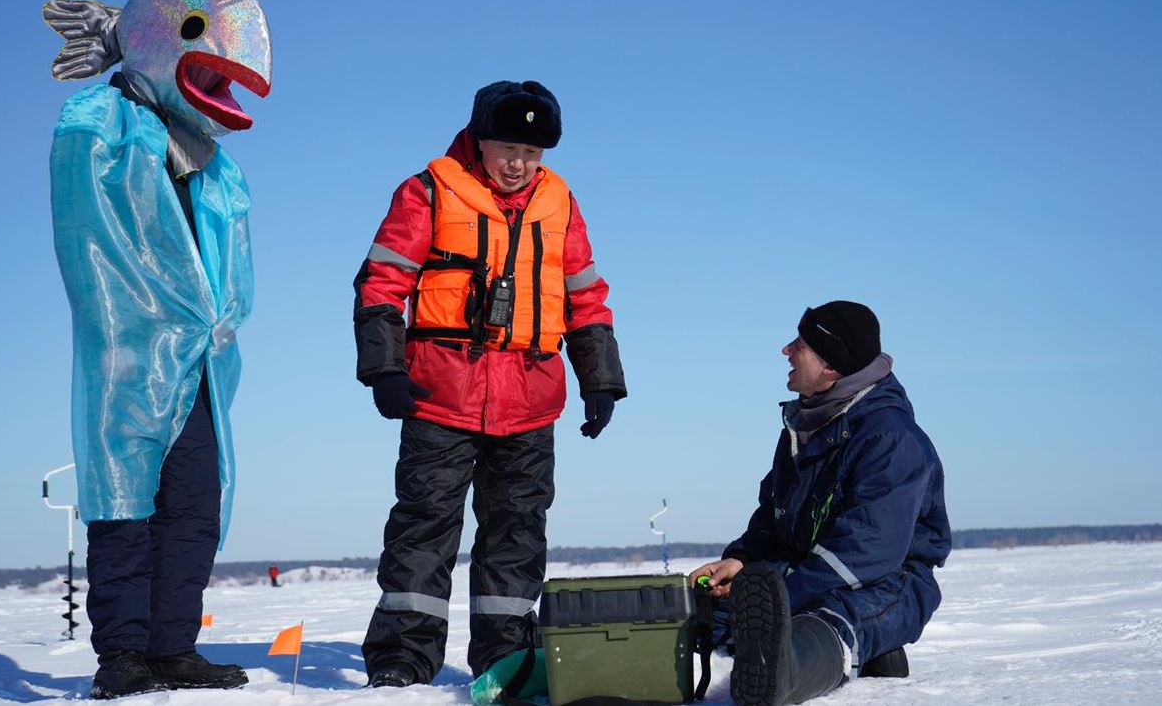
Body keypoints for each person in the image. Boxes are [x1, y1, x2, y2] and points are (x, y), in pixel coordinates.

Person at [44, 0, 269, 699]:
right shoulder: (103, 122)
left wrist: (218, 329)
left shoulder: (213, 161)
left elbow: (227, 267)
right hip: (133, 350)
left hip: (199, 363)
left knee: (194, 506)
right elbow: (91, 238)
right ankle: (124, 653)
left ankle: (173, 645)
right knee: (124, 499)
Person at [353, 80, 627, 687]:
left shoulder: (560, 204)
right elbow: (380, 283)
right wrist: (385, 370)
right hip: (440, 396)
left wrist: (600, 381)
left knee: (517, 532)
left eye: (532, 154)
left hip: (531, 399)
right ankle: (402, 657)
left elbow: (586, 297)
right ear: (479, 140)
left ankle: (505, 656)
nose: (518, 164)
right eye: (507, 148)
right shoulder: (427, 190)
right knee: (424, 526)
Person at [690, 301, 950, 706]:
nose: (786, 351)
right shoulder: (803, 428)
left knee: (828, 620)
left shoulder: (890, 439)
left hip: (887, 582)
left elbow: (867, 552)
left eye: (801, 344)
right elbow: (771, 517)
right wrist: (742, 562)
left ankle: (782, 674)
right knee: (702, 611)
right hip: (803, 569)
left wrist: (779, 592)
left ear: (830, 365)